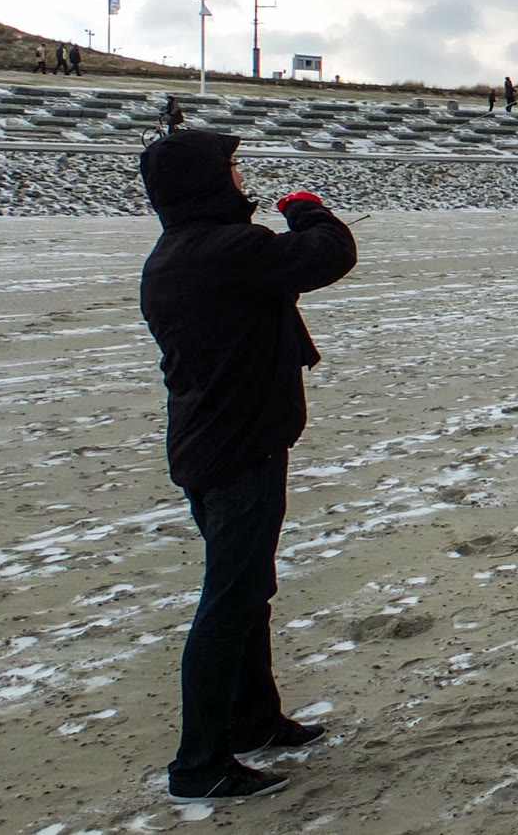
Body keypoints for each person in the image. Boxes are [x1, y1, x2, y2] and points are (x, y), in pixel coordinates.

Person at [138, 130, 358, 800]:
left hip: (213, 443)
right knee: (230, 602)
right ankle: (199, 764)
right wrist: (306, 207)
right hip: (237, 449)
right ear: (207, 181)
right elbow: (331, 253)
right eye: (231, 167)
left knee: (248, 591)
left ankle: (254, 719)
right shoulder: (225, 251)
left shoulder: (176, 253)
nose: (240, 177)